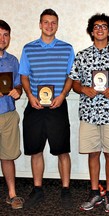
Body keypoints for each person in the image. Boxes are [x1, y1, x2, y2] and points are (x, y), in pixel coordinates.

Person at [69, 13, 109, 213]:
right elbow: (74, 83)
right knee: (93, 153)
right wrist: (83, 89)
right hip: (89, 113)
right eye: (96, 26)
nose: (99, 29)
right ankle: (94, 191)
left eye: (104, 26)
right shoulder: (81, 55)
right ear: (91, 31)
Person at [18, 9, 75, 209]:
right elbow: (24, 76)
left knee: (62, 151)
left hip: (58, 105)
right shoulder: (28, 49)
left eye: (53, 23)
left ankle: (66, 190)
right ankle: (37, 189)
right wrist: (30, 96)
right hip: (35, 106)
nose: (49, 26)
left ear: (57, 25)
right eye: (46, 22)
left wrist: (62, 95)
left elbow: (71, 76)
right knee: (35, 150)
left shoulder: (67, 48)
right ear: (40, 24)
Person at [0, 20, 24, 210]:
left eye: (6, 34)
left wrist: (18, 90)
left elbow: (17, 84)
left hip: (8, 114)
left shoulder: (13, 60)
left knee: (8, 156)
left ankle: (12, 194)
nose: (2, 38)